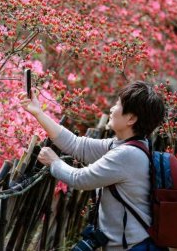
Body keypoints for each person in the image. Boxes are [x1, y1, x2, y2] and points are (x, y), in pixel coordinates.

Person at [19, 81, 167, 250]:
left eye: (118, 104)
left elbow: (80, 179)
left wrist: (54, 162)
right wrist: (38, 113)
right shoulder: (124, 146)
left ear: (131, 118)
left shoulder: (128, 155)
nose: (112, 108)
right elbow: (76, 145)